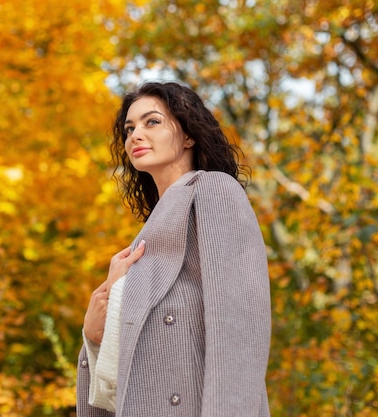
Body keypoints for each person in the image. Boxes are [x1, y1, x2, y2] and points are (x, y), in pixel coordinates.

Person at [77, 81, 271, 417]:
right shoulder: (143, 243)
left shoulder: (213, 192)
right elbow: (116, 381)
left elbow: (238, 329)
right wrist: (94, 335)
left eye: (152, 122)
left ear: (188, 135)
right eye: (130, 128)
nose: (136, 134)